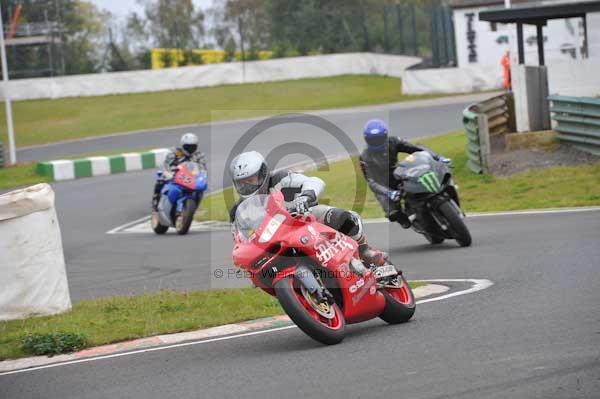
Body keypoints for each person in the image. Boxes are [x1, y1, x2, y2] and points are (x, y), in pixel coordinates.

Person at [229, 151, 388, 267]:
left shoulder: (280, 179)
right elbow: (240, 240)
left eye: (251, 180)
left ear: (263, 174)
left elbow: (314, 181)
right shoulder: (239, 211)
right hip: (275, 240)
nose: (247, 186)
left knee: (340, 217)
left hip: (304, 218)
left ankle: (364, 250)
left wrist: (306, 196)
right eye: (242, 183)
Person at [359, 119, 447, 228]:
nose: (377, 142)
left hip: (398, 173)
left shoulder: (394, 141)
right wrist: (389, 192)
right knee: (393, 213)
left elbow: (416, 149)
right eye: (373, 140)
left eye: (379, 139)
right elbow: (371, 181)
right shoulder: (365, 157)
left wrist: (437, 157)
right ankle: (409, 219)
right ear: (367, 140)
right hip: (382, 184)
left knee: (422, 182)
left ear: (385, 136)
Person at [152, 133, 207, 210]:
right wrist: (168, 172)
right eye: (188, 146)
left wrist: (202, 175)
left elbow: (203, 168)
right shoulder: (175, 153)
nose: (190, 149)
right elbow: (166, 164)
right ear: (183, 145)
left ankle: (194, 204)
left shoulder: (199, 155)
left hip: (190, 176)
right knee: (160, 178)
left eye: (193, 147)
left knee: (200, 189)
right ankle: (156, 199)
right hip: (175, 175)